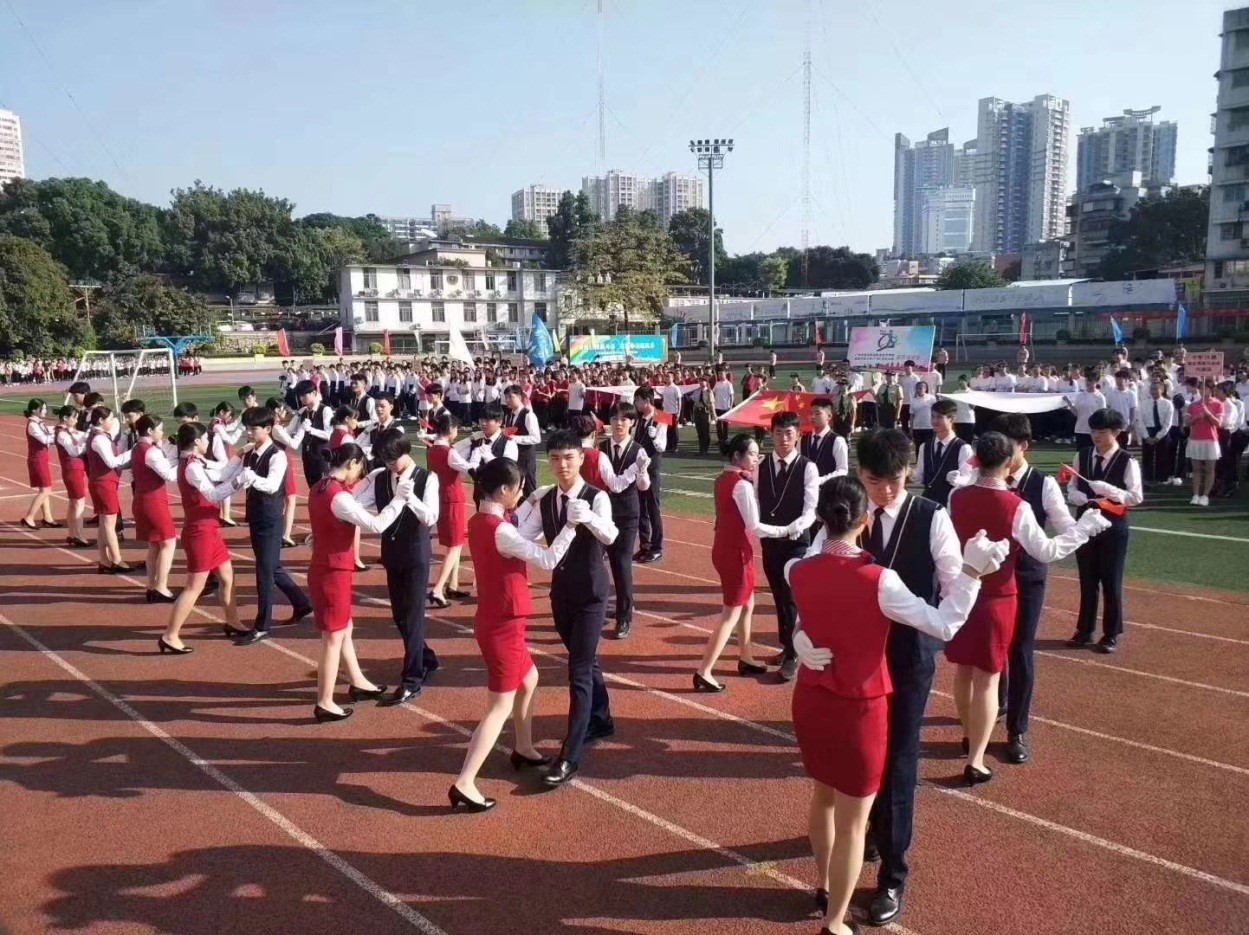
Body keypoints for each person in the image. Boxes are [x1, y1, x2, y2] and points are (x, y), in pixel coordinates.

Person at [787, 476, 1004, 935]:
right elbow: (943, 624)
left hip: (811, 699)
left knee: (822, 797)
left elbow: (805, 610)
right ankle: (835, 922)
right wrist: (971, 573)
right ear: (865, 522)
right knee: (853, 820)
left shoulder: (797, 570)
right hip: (860, 706)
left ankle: (824, 886)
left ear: (823, 520)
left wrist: (798, 637)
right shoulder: (880, 580)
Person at [945, 432, 1107, 785]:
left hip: (962, 591)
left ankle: (970, 736)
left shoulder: (957, 497)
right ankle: (975, 758)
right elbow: (1046, 551)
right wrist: (1084, 529)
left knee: (964, 671)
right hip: (998, 596)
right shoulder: (1016, 505)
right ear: (1007, 463)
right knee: (987, 678)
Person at [450, 457, 579, 812]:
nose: (521, 492)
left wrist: (530, 502)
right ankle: (465, 782)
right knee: (499, 706)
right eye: (519, 488)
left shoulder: (485, 520)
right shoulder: (499, 529)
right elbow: (548, 559)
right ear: (505, 490)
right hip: (501, 626)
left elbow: (516, 534)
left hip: (502, 620)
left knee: (530, 678)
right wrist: (570, 525)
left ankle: (522, 748)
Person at [517, 431, 619, 787]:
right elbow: (523, 535)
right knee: (585, 659)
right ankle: (602, 717)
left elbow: (611, 536)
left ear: (581, 458)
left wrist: (587, 517)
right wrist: (519, 507)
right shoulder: (546, 499)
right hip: (561, 593)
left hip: (592, 594)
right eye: (556, 458)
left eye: (569, 457)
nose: (563, 465)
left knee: (577, 669)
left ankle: (570, 755)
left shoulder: (597, 496)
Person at [991, 413, 1079, 766]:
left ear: (1023, 447)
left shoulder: (1042, 485)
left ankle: (1017, 730)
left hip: (1027, 577)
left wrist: (1056, 541)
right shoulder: (987, 479)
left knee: (1021, 649)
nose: (998, 452)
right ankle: (994, 706)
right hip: (992, 579)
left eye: (1006, 446)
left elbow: (1066, 526)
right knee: (993, 649)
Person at [305, 443, 411, 722]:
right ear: (351, 463)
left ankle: (358, 681)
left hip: (326, 568)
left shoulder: (319, 487)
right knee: (332, 638)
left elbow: (325, 524)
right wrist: (399, 499)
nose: (358, 476)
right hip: (332, 572)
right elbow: (375, 525)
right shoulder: (338, 496)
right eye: (359, 470)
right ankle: (324, 701)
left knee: (344, 629)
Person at [696, 434, 807, 691]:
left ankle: (745, 656)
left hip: (726, 548)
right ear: (737, 456)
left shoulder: (724, 478)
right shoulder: (741, 484)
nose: (757, 459)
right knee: (732, 610)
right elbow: (755, 526)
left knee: (748, 602)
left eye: (758, 454)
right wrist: (788, 529)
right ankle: (704, 671)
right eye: (753, 454)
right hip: (736, 552)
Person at [356, 430, 441, 706]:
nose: (390, 463)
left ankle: (413, 679)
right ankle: (425, 656)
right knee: (399, 616)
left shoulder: (427, 478)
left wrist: (411, 498)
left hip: (416, 554)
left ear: (406, 450)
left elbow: (431, 517)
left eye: (393, 457)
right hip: (391, 553)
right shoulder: (380, 478)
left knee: (414, 616)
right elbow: (360, 504)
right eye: (385, 458)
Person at [160, 423, 250, 653]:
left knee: (228, 576)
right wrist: (238, 482)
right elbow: (213, 493)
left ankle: (232, 620)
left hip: (210, 529)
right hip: (200, 532)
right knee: (194, 587)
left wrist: (238, 457)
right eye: (206, 439)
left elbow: (220, 472)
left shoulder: (195, 461)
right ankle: (170, 635)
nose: (208, 442)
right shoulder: (191, 467)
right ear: (198, 441)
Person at [234, 407, 313, 645]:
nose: (248, 432)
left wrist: (251, 478)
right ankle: (301, 603)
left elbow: (271, 485)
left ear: (268, 429)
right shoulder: (249, 453)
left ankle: (262, 625)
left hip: (269, 518)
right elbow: (230, 475)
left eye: (253, 428)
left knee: (264, 572)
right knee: (272, 567)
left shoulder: (277, 455)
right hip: (256, 516)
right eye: (246, 427)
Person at [1066, 408, 1143, 653]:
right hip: (1086, 525)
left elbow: (1135, 497)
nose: (1096, 436)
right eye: (1093, 431)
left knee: (1111, 580)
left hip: (1113, 526)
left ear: (1117, 432)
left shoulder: (1127, 461)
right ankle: (1084, 630)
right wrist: (1075, 495)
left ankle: (1110, 634)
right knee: (1087, 580)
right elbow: (1072, 485)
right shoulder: (1083, 454)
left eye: (1102, 431)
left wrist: (1110, 490)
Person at [573, 410, 650, 639]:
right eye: (615, 419)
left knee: (621, 563)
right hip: (600, 513)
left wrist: (642, 469)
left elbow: (644, 486)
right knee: (593, 562)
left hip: (626, 513)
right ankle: (590, 611)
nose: (619, 423)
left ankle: (624, 618)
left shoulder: (639, 451)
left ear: (632, 423)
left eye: (624, 419)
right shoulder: (601, 449)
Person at [755, 411, 819, 682]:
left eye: (788, 433)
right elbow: (757, 501)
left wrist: (792, 529)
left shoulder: (808, 467)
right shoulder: (760, 465)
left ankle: (794, 654)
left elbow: (810, 510)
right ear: (771, 435)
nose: (783, 438)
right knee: (778, 596)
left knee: (792, 598)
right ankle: (786, 646)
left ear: (798, 436)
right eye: (778, 433)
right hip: (770, 541)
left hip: (796, 543)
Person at [129, 415, 179, 603]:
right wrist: (184, 459)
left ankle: (152, 585)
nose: (162, 432)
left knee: (154, 545)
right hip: (154, 501)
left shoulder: (137, 448)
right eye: (159, 428)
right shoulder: (151, 452)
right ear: (150, 431)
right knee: (168, 543)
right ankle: (161, 587)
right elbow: (169, 475)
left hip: (142, 499)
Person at [426, 412, 472, 607]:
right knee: (454, 546)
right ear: (451, 430)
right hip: (452, 499)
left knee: (456, 543)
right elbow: (467, 468)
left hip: (439, 497)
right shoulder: (449, 452)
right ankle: (438, 588)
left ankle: (452, 584)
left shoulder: (431, 449)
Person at [86, 406, 137, 573]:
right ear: (101, 420)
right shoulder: (99, 439)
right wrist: (133, 452)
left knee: (103, 523)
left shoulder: (98, 436)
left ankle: (104, 560)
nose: (112, 421)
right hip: (104, 483)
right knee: (109, 524)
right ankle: (116, 560)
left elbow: (114, 433)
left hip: (103, 482)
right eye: (109, 419)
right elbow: (112, 462)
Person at [632, 387, 668, 563]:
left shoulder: (661, 416)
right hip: (639, 470)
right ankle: (644, 544)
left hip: (652, 470)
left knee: (653, 509)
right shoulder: (639, 418)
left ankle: (657, 546)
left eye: (637, 400)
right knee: (641, 509)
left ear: (646, 400)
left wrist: (654, 438)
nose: (635, 404)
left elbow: (662, 446)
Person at [916, 399, 972, 508]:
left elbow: (969, 479)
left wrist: (959, 480)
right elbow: (919, 478)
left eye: (940, 417)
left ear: (952, 418)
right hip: (928, 503)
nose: (935, 421)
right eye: (933, 416)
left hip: (952, 505)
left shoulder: (963, 448)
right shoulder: (925, 447)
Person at [53, 405, 90, 547]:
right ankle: (78, 535)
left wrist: (87, 435)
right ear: (65, 418)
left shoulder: (66, 431)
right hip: (72, 469)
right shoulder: (62, 434)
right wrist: (87, 443)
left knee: (73, 502)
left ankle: (73, 533)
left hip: (74, 469)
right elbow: (74, 451)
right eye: (73, 418)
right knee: (79, 502)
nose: (75, 420)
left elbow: (78, 434)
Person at [468, 403, 519, 506]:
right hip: (479, 493)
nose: (483, 424)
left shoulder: (508, 443)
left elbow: (508, 470)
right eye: (481, 419)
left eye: (487, 420)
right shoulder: (477, 439)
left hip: (500, 497)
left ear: (499, 422)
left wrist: (488, 456)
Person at [20, 399, 58, 531]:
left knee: (44, 489)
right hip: (37, 460)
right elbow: (45, 439)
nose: (45, 411)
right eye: (43, 409)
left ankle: (47, 517)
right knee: (46, 490)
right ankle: (29, 517)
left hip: (42, 458)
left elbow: (49, 430)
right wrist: (60, 436)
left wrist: (60, 427)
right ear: (35, 410)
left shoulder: (38, 423)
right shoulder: (32, 425)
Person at [1185, 380, 1223, 506]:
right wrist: (1196, 418)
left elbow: (1219, 424)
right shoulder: (1193, 405)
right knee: (1196, 469)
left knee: (1209, 469)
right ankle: (1195, 494)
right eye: (1200, 388)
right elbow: (1187, 423)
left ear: (1211, 390)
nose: (1202, 391)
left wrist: (1208, 414)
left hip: (1210, 439)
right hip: (1195, 439)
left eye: (1205, 388)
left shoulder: (1218, 404)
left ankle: (1205, 495)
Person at [802, 399, 850, 491]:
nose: (812, 416)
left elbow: (842, 470)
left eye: (817, 413)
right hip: (806, 492)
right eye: (811, 413)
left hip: (829, 492)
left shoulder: (837, 440)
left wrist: (821, 480)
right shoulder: (803, 439)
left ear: (829, 416)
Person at [295, 379, 334, 486]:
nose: (301, 398)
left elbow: (329, 435)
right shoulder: (302, 411)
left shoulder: (325, 410)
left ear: (314, 393)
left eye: (304, 395)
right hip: (307, 455)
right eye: (299, 395)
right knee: (311, 487)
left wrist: (311, 430)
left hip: (321, 456)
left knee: (323, 487)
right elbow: (293, 431)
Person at [1136, 380, 1175, 486]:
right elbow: (1140, 421)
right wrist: (1146, 436)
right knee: (1147, 456)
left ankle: (1161, 477)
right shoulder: (1144, 403)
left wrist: (1158, 437)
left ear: (1161, 390)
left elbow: (1168, 423)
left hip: (1162, 431)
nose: (1152, 391)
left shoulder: (1168, 403)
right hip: (1148, 430)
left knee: (1162, 456)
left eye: (1155, 389)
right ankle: (1147, 477)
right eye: (1151, 389)